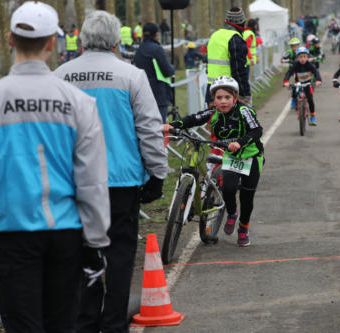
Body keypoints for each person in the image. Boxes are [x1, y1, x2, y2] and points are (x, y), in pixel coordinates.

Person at [0, 2, 111, 331]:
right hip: (65, 233)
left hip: (12, 233)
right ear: (52, 43)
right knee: (62, 324)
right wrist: (96, 242)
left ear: (9, 39)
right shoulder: (79, 102)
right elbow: (92, 180)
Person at [54, 10, 168, 332]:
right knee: (119, 253)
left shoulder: (61, 75)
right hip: (120, 180)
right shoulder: (130, 75)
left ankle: (86, 320)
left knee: (82, 252)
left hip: (74, 182)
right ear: (117, 40)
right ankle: (114, 322)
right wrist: (157, 173)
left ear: (82, 39)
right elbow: (149, 128)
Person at [163, 76, 264, 247]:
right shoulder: (213, 112)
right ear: (213, 99)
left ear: (235, 97)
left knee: (247, 197)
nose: (223, 102)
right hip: (231, 156)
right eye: (219, 98)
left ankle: (243, 228)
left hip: (251, 156)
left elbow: (257, 130)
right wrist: (172, 125)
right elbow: (193, 119)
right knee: (228, 188)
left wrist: (239, 143)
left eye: (227, 97)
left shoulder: (244, 111)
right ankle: (232, 213)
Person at [206, 7, 251, 107]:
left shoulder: (214, 36)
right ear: (242, 23)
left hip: (212, 91)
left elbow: (208, 65)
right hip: (229, 92)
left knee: (214, 121)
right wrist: (245, 94)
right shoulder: (235, 38)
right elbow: (239, 70)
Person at [134, 22, 175, 123]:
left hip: (142, 94)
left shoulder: (138, 51)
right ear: (156, 34)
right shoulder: (157, 49)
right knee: (159, 127)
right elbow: (167, 71)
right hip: (158, 94)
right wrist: (172, 67)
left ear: (143, 35)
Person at [283, 47, 322, 125]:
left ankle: (312, 116)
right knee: (294, 89)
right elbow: (289, 73)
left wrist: (318, 80)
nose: (302, 59)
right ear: (297, 58)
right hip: (299, 82)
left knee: (310, 99)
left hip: (308, 83)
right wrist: (286, 81)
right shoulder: (295, 64)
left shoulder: (310, 65)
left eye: (304, 57)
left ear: (307, 57)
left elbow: (316, 72)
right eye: (300, 57)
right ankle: (294, 100)